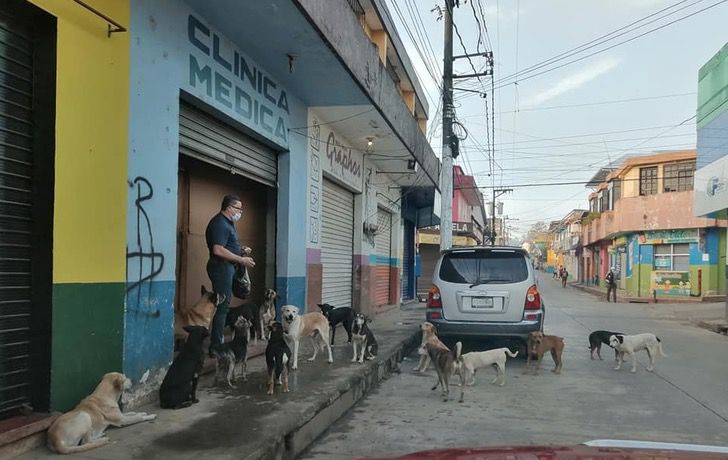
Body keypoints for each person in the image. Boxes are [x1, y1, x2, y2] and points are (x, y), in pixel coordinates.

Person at [205, 195, 255, 354]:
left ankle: (217, 342)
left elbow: (226, 246)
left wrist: (240, 250)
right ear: (229, 207)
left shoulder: (228, 223)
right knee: (222, 307)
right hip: (221, 268)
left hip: (228, 268)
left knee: (224, 305)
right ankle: (216, 346)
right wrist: (241, 259)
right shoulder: (219, 223)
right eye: (239, 208)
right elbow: (217, 250)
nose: (240, 212)